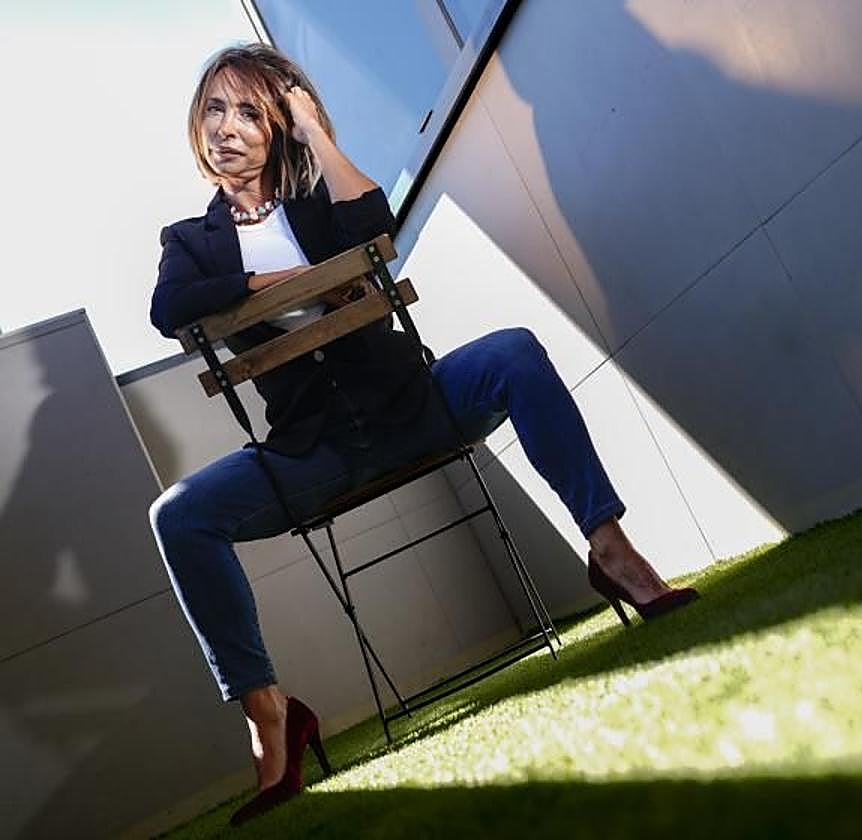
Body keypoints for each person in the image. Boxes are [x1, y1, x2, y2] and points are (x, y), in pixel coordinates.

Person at [147, 44, 697, 826]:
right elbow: (172, 307)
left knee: (512, 352)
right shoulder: (189, 241)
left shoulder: (316, 199)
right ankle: (268, 711)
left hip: (415, 403)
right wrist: (291, 284)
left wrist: (316, 132)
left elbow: (374, 225)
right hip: (316, 451)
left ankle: (611, 549)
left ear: (278, 126)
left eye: (249, 111)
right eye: (213, 109)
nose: (228, 127)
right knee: (177, 515)